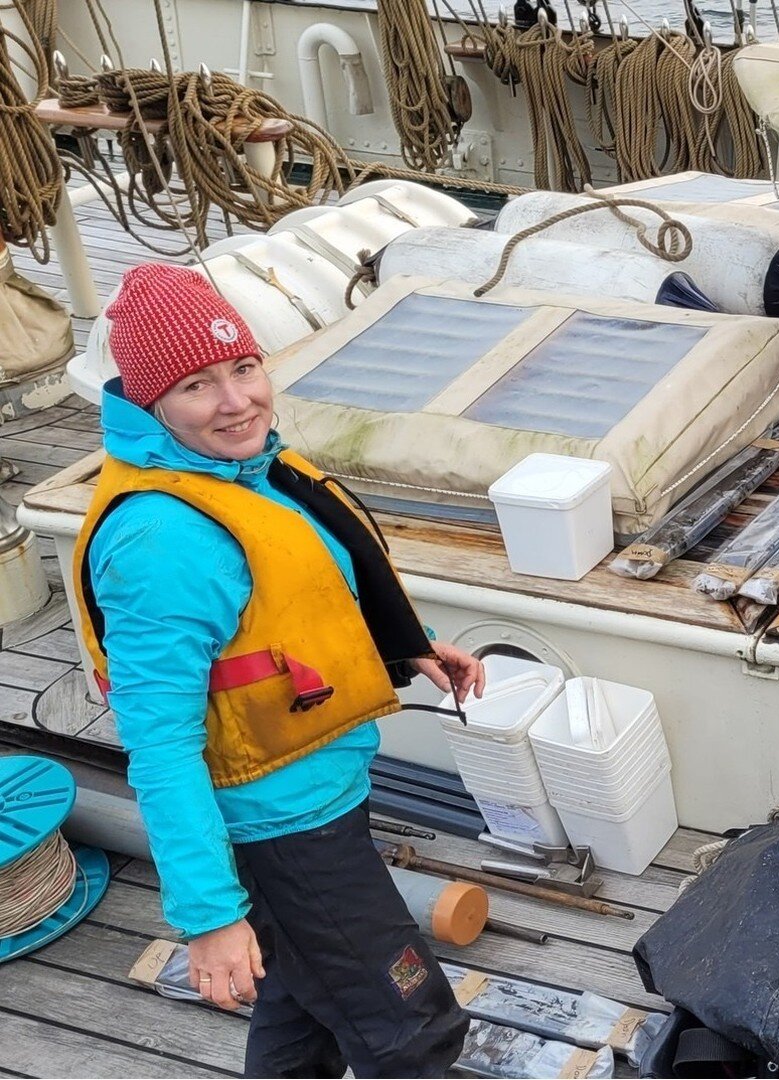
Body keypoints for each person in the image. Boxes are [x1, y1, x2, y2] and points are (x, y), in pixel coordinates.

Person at [73, 263, 484, 1078]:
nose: (236, 402)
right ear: (151, 403)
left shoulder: (244, 471)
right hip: (283, 833)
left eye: (244, 367)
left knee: (306, 1010)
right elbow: (160, 749)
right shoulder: (163, 545)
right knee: (414, 1027)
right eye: (197, 384)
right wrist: (211, 917)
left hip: (321, 794)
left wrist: (409, 644)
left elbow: (303, 601)